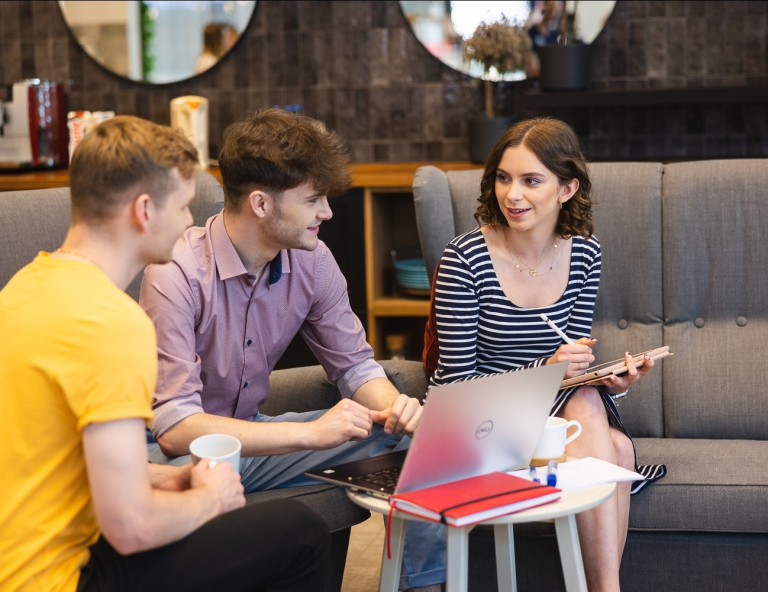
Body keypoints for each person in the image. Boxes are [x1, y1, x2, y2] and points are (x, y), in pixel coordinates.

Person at [0, 116, 329, 592]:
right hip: (61, 577)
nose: (190, 223)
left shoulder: (23, 289)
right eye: (183, 207)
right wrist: (210, 498)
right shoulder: (111, 323)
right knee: (301, 533)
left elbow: (52, 459)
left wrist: (160, 480)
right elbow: (133, 528)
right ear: (144, 211)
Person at [139, 108, 445, 592]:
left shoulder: (312, 260)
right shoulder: (176, 273)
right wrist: (311, 435)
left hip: (253, 442)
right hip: (166, 459)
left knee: (415, 443)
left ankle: (424, 588)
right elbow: (175, 429)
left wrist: (399, 410)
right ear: (261, 204)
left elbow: (354, 364)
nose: (326, 213)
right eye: (313, 199)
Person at [429, 117, 665, 592]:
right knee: (613, 448)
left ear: (566, 188)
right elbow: (451, 390)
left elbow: (573, 356)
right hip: (482, 417)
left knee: (596, 409)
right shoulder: (464, 260)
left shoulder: (585, 254)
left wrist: (603, 377)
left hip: (560, 407)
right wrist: (547, 371)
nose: (512, 194)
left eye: (531, 180)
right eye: (503, 177)